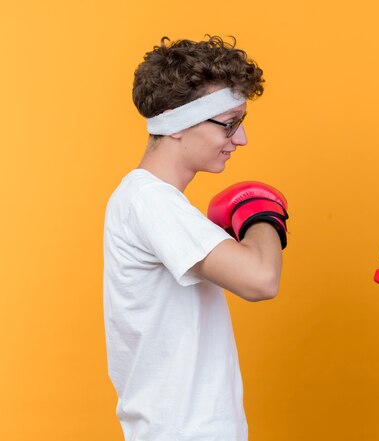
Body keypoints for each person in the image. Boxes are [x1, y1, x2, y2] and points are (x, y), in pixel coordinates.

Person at [103, 36, 288, 440]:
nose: (241, 140)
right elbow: (261, 279)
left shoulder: (152, 202)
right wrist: (262, 213)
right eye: (229, 123)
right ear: (176, 123)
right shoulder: (151, 201)